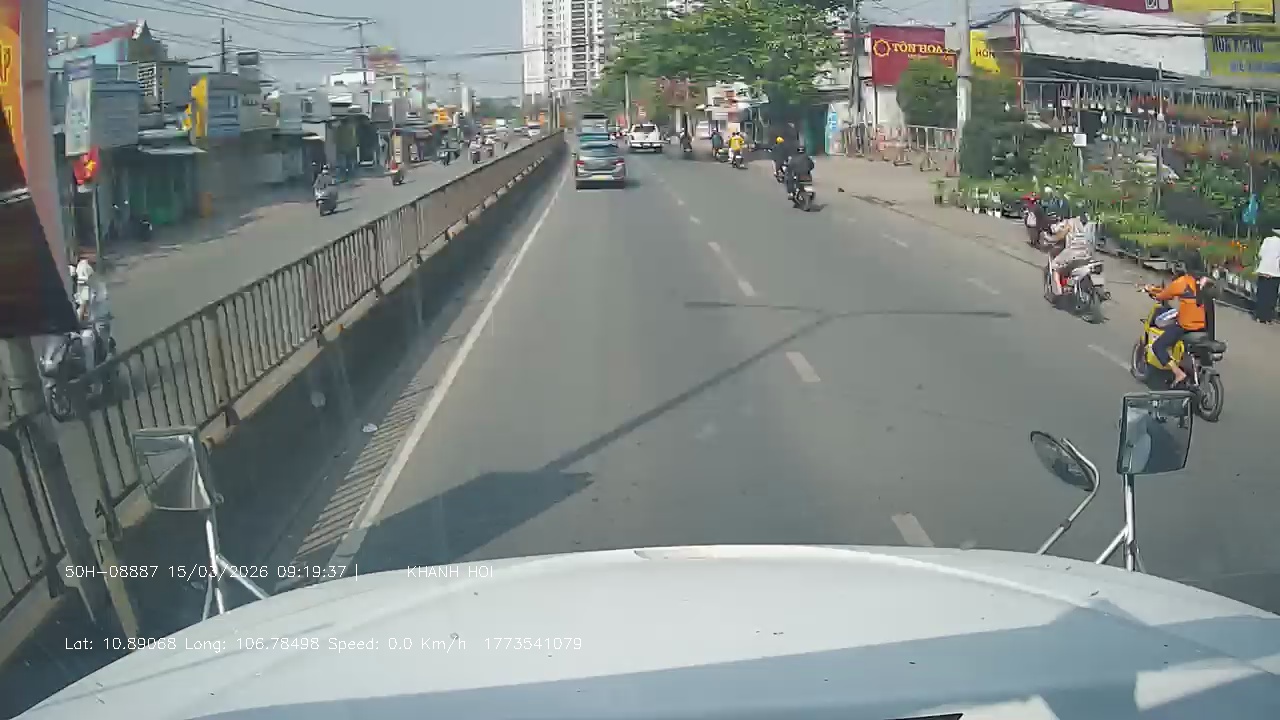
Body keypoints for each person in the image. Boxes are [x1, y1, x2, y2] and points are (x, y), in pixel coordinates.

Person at [1145, 265, 1214, 387]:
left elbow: (1165, 295)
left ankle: (1178, 373)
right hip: (1204, 327)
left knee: (1158, 345)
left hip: (1186, 327)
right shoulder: (1206, 282)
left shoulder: (1183, 281)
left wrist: (1152, 292)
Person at [1046, 211, 1095, 296]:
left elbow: (1059, 235)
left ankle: (1058, 292)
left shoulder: (1070, 222)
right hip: (1087, 253)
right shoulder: (1092, 224)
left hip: (1073, 253)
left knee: (1055, 267)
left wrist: (1049, 239)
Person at [1254, 229, 1280, 324]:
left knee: (1262, 294)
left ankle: (1259, 316)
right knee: (1271, 296)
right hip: (1274, 272)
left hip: (1263, 270)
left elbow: (1260, 254)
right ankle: (1268, 318)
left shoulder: (1267, 240)